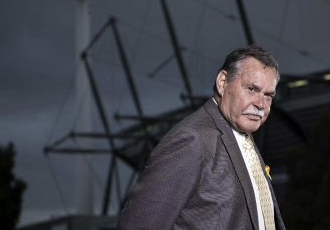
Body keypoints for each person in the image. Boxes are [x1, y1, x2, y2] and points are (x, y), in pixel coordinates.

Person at [117, 45, 286, 229]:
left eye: (268, 95)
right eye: (251, 89)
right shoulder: (192, 140)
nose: (261, 104)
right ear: (222, 82)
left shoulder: (243, 137)